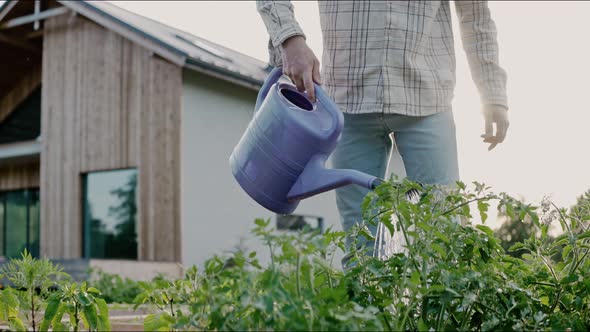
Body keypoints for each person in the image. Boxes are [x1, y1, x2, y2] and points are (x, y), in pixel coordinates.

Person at [257, 1, 509, 257]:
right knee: (361, 246)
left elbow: (475, 15)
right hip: (347, 101)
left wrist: (493, 92)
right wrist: (289, 38)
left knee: (444, 235)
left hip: (428, 97)